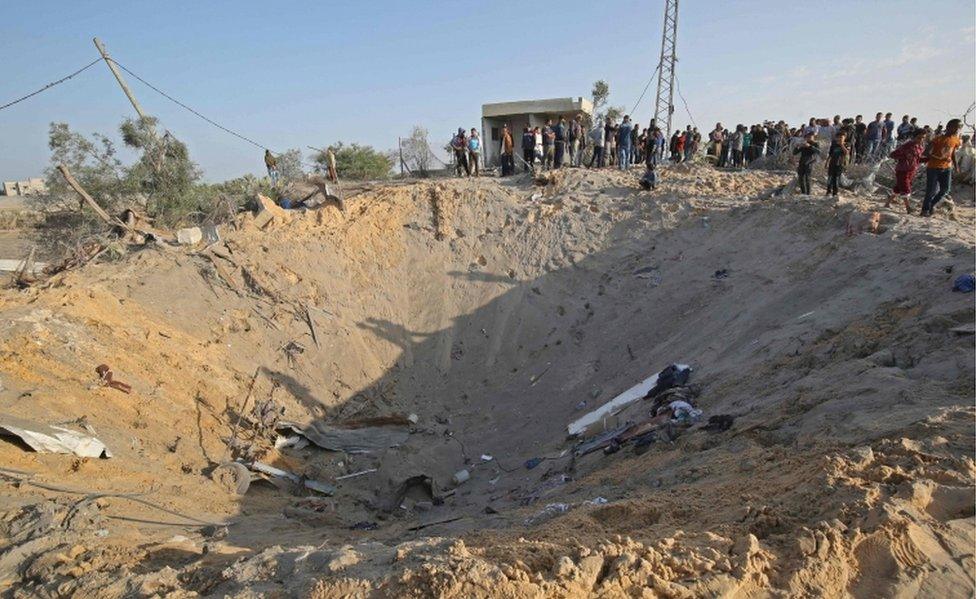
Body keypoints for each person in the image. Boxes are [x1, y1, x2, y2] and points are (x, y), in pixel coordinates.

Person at [920, 118, 962, 217]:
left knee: (945, 189)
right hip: (933, 167)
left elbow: (953, 153)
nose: (957, 130)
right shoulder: (938, 139)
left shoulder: (956, 140)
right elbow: (926, 153)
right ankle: (925, 210)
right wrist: (938, 158)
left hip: (947, 168)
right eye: (955, 127)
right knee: (931, 190)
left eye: (959, 128)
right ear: (948, 127)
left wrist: (956, 166)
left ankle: (931, 205)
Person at [886, 129, 927, 213]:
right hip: (902, 170)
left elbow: (918, 160)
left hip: (911, 170)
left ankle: (887, 203)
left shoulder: (920, 147)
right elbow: (893, 154)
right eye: (919, 137)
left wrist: (929, 159)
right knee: (905, 188)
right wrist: (904, 157)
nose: (921, 140)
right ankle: (908, 208)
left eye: (923, 138)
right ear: (914, 137)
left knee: (898, 188)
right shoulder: (907, 145)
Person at [825, 131, 849, 197]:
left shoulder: (847, 144)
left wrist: (841, 145)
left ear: (844, 138)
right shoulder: (834, 145)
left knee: (836, 179)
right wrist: (827, 162)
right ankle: (828, 191)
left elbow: (846, 153)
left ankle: (835, 193)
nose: (839, 139)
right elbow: (830, 155)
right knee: (830, 178)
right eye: (838, 137)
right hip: (832, 163)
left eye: (841, 137)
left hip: (840, 164)